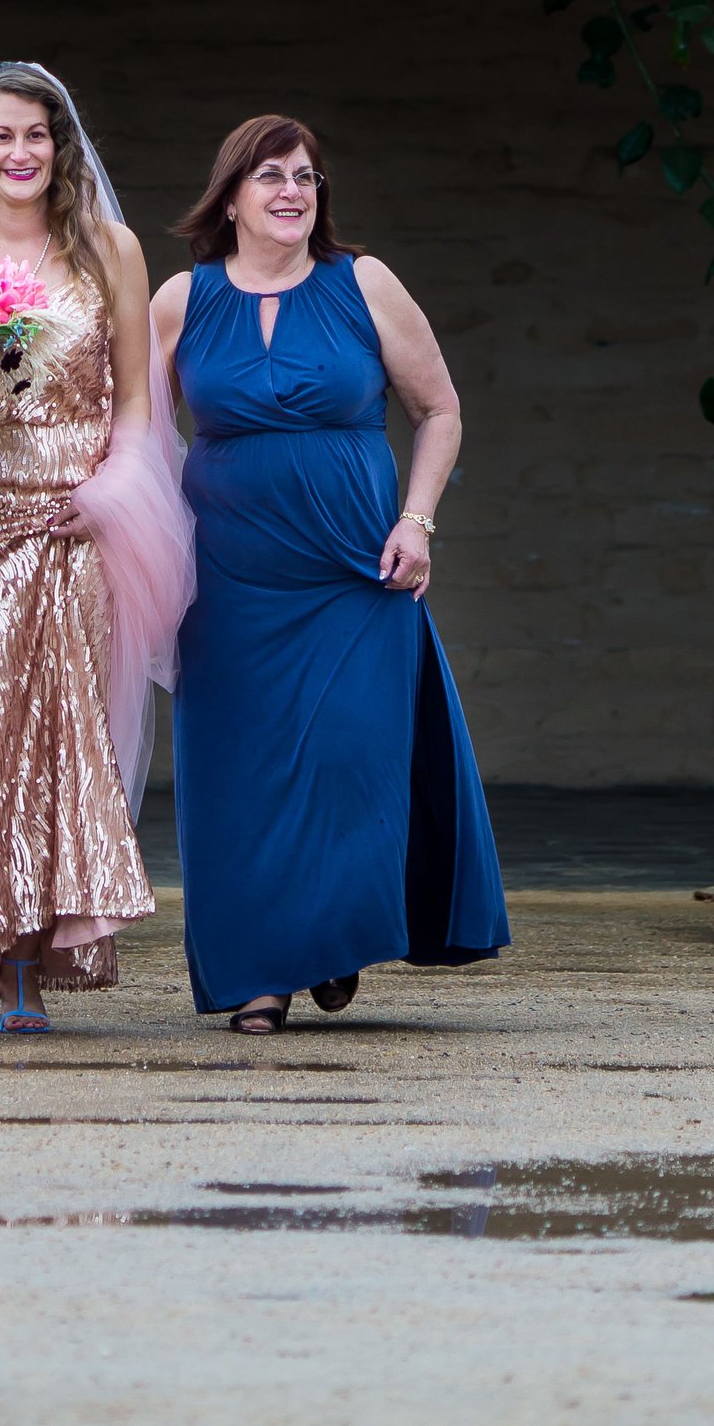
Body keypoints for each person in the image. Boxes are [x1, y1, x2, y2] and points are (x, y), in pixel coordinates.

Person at [153, 113, 507, 1033]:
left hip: (357, 571)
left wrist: (417, 522)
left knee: (353, 764)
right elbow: (127, 436)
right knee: (240, 774)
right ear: (229, 198)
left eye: (306, 178)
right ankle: (261, 976)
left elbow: (439, 411)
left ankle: (335, 936)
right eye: (270, 176)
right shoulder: (179, 303)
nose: (291, 192)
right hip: (227, 579)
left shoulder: (365, 283)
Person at [0, 61, 192, 1034]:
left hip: (75, 526)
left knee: (60, 747)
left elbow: (142, 408)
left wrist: (108, 497)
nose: (20, 152)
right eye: (2, 135)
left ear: (59, 145)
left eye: (37, 134)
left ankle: (32, 963)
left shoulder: (109, 247)